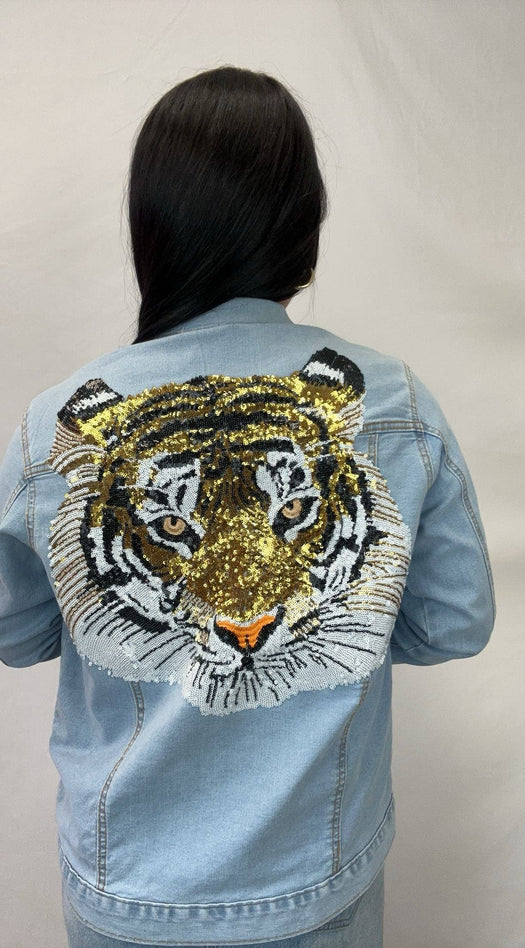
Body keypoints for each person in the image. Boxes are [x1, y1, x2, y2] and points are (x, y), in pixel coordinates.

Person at [0, 65, 495, 948]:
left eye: (292, 513)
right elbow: (453, 621)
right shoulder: (391, 401)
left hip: (126, 889)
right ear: (303, 224)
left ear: (150, 229)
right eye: (173, 525)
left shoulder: (51, 422)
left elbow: (15, 630)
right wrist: (348, 626)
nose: (245, 607)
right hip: (314, 881)